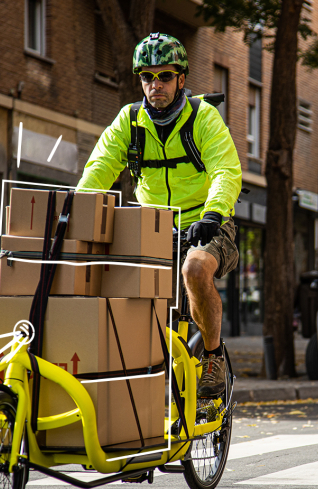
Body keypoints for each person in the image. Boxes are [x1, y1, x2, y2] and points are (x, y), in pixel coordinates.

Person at [77, 32, 242, 397]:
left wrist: (213, 214)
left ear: (181, 79)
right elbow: (100, 168)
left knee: (194, 268)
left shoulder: (203, 118)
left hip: (208, 223)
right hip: (153, 226)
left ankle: (212, 358)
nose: (155, 85)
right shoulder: (130, 120)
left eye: (164, 76)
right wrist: (76, 209)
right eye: (147, 77)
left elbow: (226, 171)